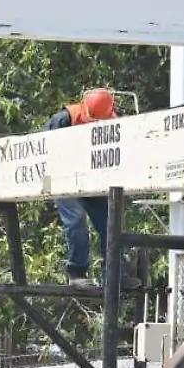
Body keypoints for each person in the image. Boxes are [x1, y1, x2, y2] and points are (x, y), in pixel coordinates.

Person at [47, 88, 117, 287]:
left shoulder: (111, 120)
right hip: (63, 178)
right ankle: (76, 272)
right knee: (76, 219)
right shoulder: (63, 120)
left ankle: (114, 273)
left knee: (110, 220)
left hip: (90, 178)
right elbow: (44, 151)